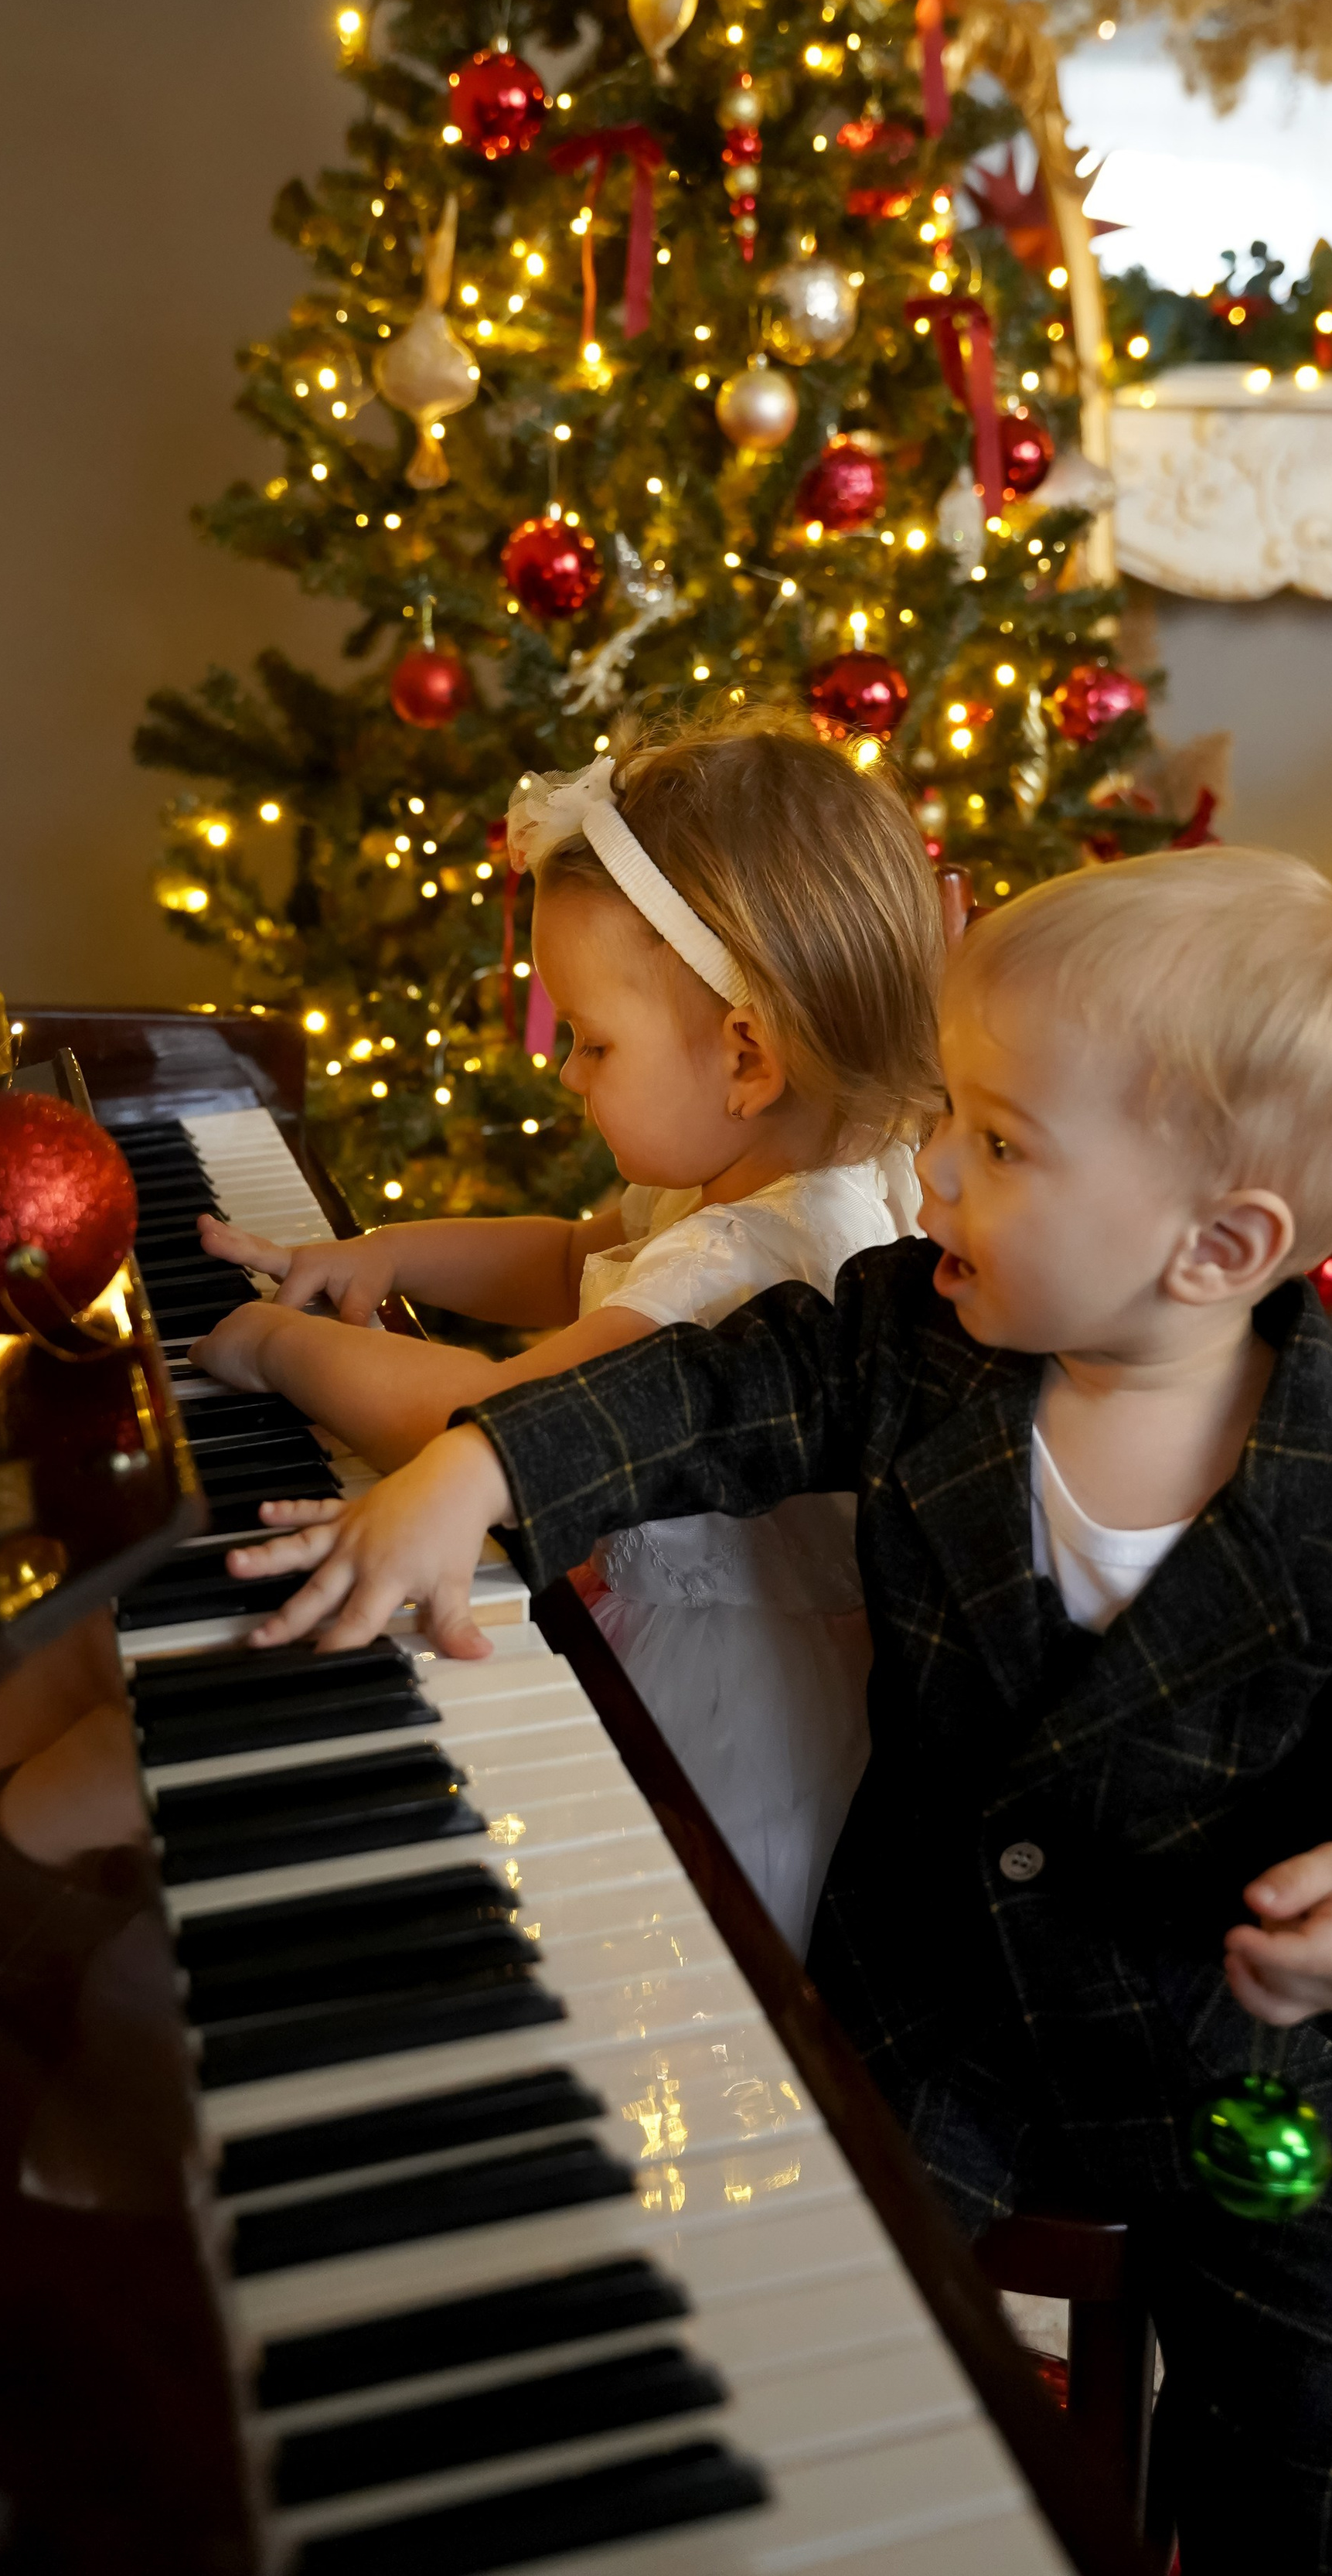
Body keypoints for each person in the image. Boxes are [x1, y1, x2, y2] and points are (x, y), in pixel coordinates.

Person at [215, 843, 1332, 2576]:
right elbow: (701, 1390)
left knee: (1318, 2449)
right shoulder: (912, 1345)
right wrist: (479, 1463)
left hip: (1271, 2076)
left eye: (997, 1146)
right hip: (946, 2004)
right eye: (952, 1117)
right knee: (780, 2313)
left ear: (1219, 1246)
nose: (925, 1174)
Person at [189, 719, 941, 1954]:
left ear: (746, 1053)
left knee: (593, 1948)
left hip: (715, 1733)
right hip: (722, 1647)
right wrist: (391, 1251)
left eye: (591, 1040)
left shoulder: (754, 1255)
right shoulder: (782, 1176)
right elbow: (564, 1258)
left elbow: (502, 1423)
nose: (569, 1072)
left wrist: (283, 1352)